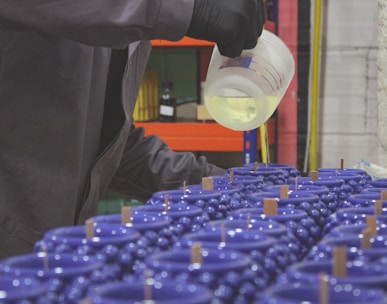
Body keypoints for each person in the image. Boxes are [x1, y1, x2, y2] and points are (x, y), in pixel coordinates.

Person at [0, 0, 265, 259]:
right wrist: (187, 9)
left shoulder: (132, 31)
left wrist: (229, 186)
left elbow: (108, 146)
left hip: (44, 258)